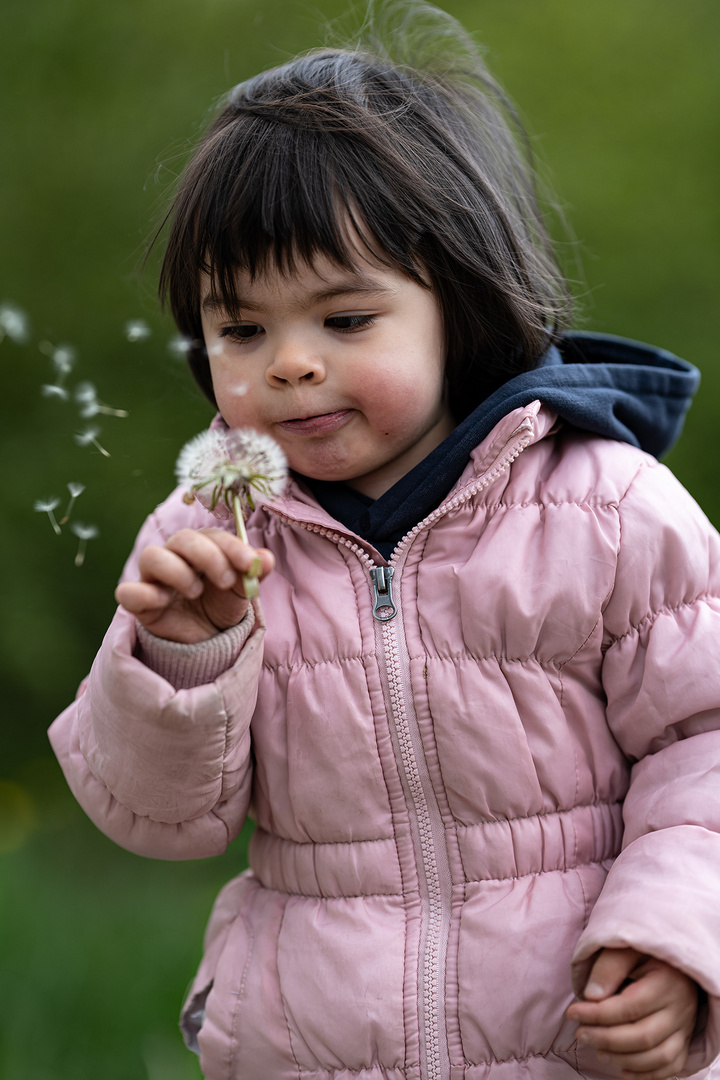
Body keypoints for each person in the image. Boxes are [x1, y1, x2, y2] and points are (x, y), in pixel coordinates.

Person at [49, 3, 720, 1078]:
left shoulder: (605, 508)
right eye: (241, 327)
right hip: (312, 1047)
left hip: (576, 1042)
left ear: (457, 300)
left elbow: (707, 741)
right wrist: (184, 655)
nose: (290, 364)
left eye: (345, 320)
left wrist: (682, 940)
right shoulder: (211, 534)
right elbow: (158, 821)